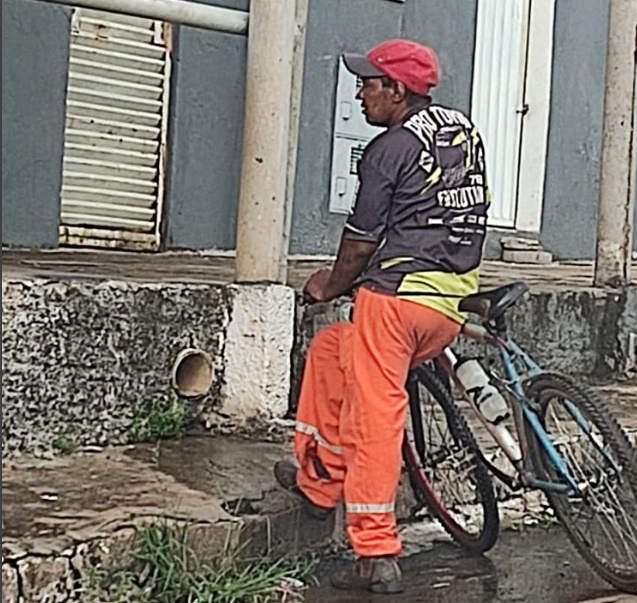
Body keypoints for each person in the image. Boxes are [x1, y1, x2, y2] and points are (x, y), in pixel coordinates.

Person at [273, 39, 490, 594]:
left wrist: (327, 284)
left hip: (394, 300)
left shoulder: (387, 148)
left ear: (397, 90)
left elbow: (361, 239)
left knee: (376, 415)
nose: (359, 93)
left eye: (368, 83)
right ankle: (319, 485)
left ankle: (375, 552)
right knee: (331, 353)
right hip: (448, 304)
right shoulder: (462, 132)